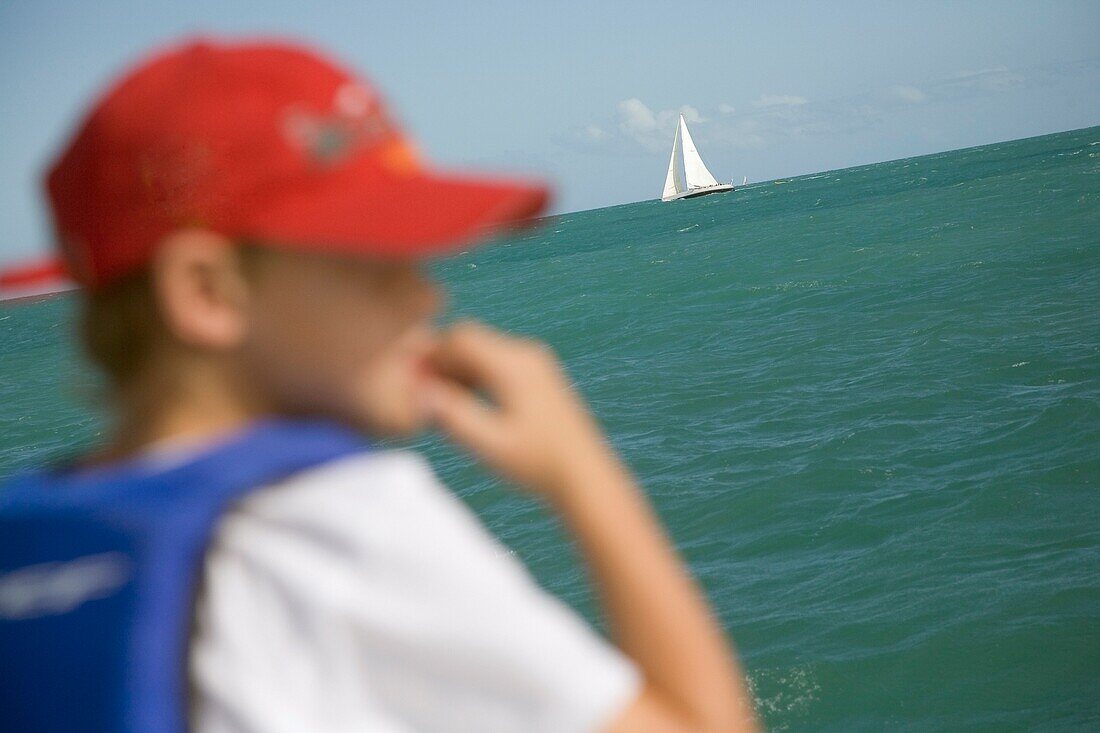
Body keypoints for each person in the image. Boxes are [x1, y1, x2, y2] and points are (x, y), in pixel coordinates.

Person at [0, 38, 759, 732]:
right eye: (374, 261)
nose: (425, 296)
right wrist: (579, 470)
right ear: (207, 291)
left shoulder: (27, 540)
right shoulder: (335, 526)